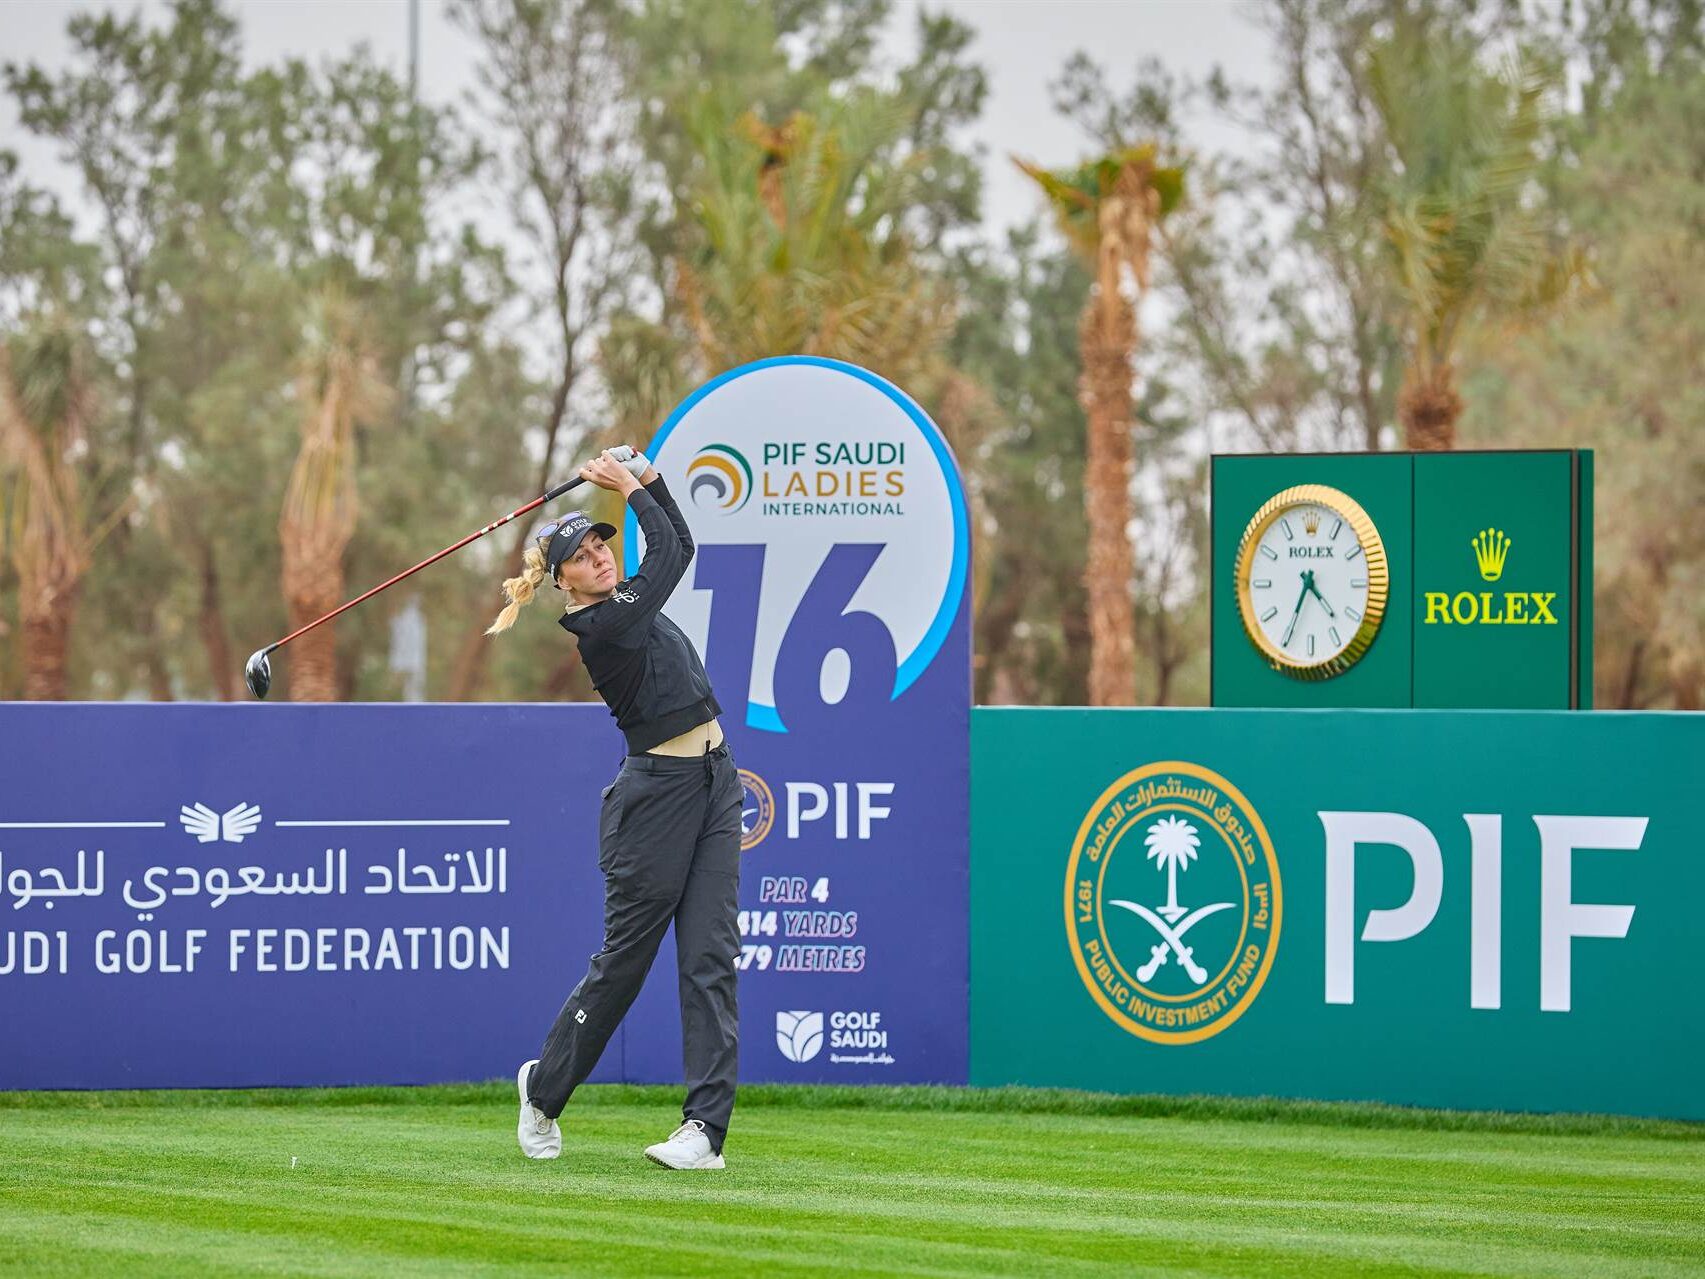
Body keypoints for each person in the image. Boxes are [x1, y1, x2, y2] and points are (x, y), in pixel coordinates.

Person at [486, 447, 741, 1170]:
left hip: (715, 783)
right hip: (654, 800)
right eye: (582, 553)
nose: (598, 555)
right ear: (562, 580)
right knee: (626, 964)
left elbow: (677, 544)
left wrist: (650, 479)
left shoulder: (628, 599)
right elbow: (667, 556)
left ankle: (704, 1132)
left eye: (600, 543)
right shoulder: (601, 627)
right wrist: (630, 486)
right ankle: (543, 1088)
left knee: (711, 958)